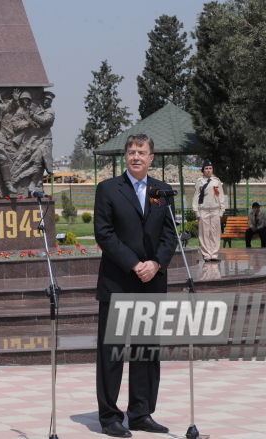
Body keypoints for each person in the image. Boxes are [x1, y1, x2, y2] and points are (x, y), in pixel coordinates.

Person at [94, 133, 178, 437]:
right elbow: (104, 234)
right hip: (118, 281)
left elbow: (170, 234)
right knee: (112, 351)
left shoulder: (161, 191)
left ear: (151, 157)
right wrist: (134, 263)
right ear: (125, 157)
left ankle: (141, 412)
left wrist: (155, 264)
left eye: (141, 152)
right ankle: (110, 417)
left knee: (146, 351)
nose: (136, 157)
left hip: (152, 282)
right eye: (131, 152)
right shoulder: (108, 189)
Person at [192, 160, 226, 262]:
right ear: (203, 170)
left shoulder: (216, 181)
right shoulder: (200, 182)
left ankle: (214, 254)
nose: (208, 170)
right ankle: (207, 255)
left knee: (215, 233)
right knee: (204, 233)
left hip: (215, 210)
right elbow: (196, 197)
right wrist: (196, 211)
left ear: (212, 169)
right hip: (204, 210)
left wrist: (221, 211)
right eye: (206, 168)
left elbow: (220, 196)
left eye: (210, 168)